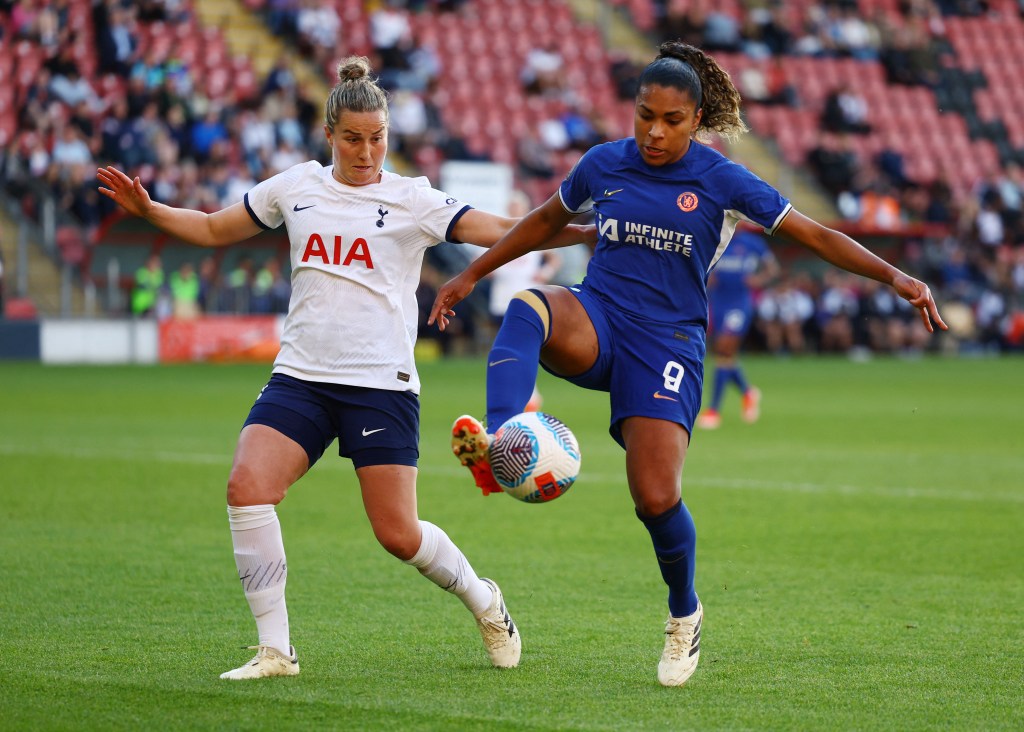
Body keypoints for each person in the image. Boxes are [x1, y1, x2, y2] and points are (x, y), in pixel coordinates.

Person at [427, 41, 946, 688]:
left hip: (668, 345)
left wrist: (898, 277)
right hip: (600, 318)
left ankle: (683, 613)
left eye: (671, 120)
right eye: (645, 114)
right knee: (531, 306)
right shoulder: (602, 164)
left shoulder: (720, 179)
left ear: (695, 120)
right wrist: (471, 275)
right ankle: (504, 433)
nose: (654, 130)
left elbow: (813, 234)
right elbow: (539, 223)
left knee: (655, 496)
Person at [97, 56, 593, 681]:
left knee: (398, 534)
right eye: (353, 138)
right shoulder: (295, 187)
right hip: (300, 376)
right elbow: (214, 227)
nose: (366, 151)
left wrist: (572, 233)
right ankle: (276, 650)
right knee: (246, 489)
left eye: (377, 137)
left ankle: (485, 601)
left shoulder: (412, 198)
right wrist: (152, 212)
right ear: (329, 135)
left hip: (380, 385)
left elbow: (490, 228)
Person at [696, 225, 780, 429]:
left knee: (725, 348)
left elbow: (772, 267)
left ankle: (713, 410)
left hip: (739, 303)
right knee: (724, 355)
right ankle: (748, 393)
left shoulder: (752, 243)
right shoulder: (715, 237)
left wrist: (759, 279)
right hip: (718, 301)